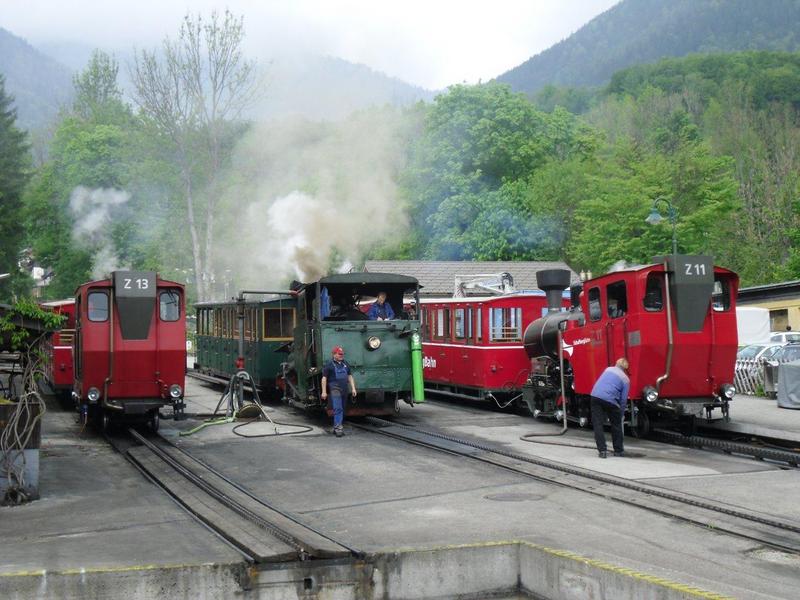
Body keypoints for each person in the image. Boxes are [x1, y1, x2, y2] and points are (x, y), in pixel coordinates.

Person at [590, 357, 630, 458]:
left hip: (595, 396)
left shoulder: (607, 369)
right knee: (616, 425)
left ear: (616, 363)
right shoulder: (625, 379)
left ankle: (602, 451)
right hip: (611, 401)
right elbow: (623, 400)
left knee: (598, 424)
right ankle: (618, 451)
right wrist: (620, 414)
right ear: (626, 368)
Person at [321, 346, 357, 437]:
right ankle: (338, 428)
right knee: (338, 408)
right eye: (339, 354)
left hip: (345, 388)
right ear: (334, 354)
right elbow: (324, 379)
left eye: (342, 354)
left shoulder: (345, 364)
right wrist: (324, 392)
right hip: (335, 388)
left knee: (343, 408)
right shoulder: (329, 365)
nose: (341, 356)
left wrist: (353, 388)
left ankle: (336, 426)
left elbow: (350, 376)